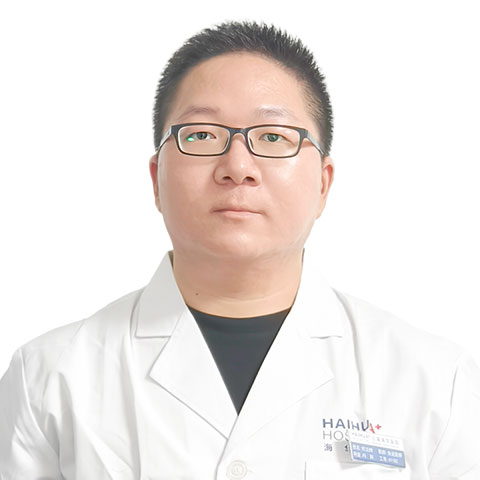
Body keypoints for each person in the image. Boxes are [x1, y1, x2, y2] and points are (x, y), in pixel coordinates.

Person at [0, 20, 479, 480]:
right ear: (157, 179)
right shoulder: (49, 378)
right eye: (202, 135)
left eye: (272, 136)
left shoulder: (435, 382)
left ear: (322, 184)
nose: (238, 167)